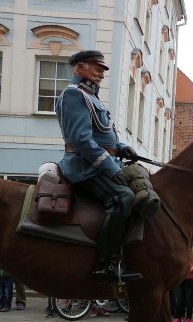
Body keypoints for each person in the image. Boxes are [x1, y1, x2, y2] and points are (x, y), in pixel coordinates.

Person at [55, 50, 140, 284]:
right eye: (96, 67)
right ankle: (105, 266)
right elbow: (82, 140)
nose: (101, 72)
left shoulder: (91, 97)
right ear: (78, 68)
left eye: (102, 69)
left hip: (100, 162)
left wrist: (122, 147)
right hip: (84, 166)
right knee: (123, 197)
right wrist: (111, 168)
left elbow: (102, 134)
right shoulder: (74, 95)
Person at [172, 247, 193, 322]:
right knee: (178, 298)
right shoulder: (176, 248)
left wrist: (189, 270)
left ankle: (188, 318)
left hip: (190, 278)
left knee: (189, 299)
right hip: (178, 278)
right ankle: (178, 317)